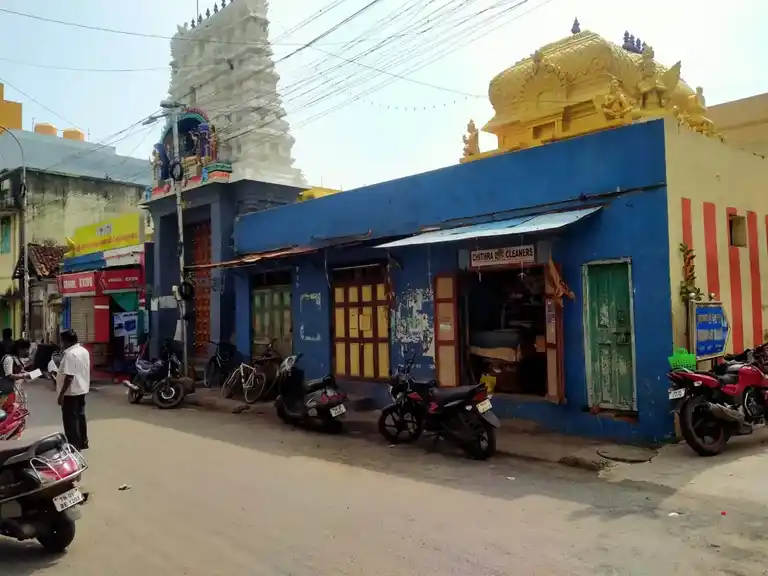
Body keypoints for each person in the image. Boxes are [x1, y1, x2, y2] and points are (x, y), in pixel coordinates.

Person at [56, 329, 90, 450]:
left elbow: (69, 376)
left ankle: (74, 445)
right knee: (80, 416)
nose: (61, 344)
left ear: (67, 341)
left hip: (70, 392)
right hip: (81, 389)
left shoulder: (70, 354)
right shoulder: (83, 351)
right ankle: (83, 441)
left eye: (62, 341)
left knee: (70, 420)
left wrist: (61, 394)